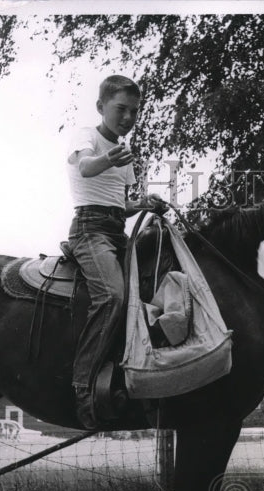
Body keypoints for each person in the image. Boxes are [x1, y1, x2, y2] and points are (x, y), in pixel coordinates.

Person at [67, 74, 168, 429]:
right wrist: (110, 158)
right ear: (101, 107)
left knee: (152, 293)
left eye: (134, 111)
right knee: (111, 296)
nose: (127, 118)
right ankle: (82, 390)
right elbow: (85, 167)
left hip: (115, 231)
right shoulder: (88, 137)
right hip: (89, 230)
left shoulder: (125, 157)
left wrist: (144, 203)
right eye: (120, 109)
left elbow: (119, 204)